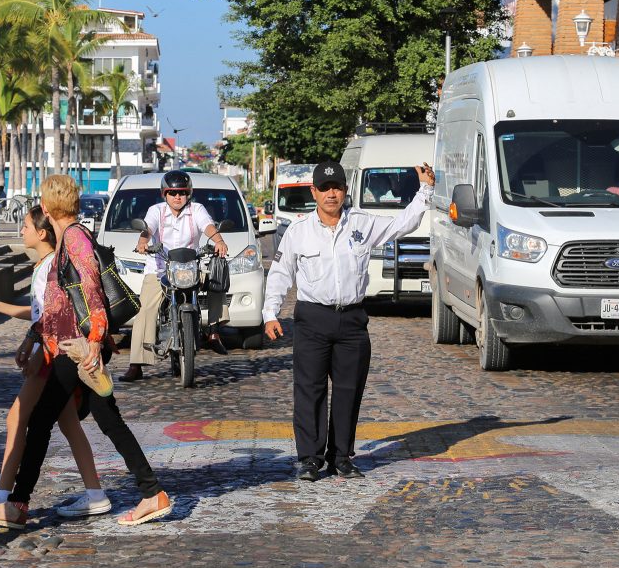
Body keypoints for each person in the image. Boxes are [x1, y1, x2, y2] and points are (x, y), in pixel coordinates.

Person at [0, 174, 173, 527]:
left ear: (50, 206)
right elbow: (59, 304)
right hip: (71, 344)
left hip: (78, 347)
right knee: (108, 421)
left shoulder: (75, 237)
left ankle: (18, 504)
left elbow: (92, 290)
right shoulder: (70, 238)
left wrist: (94, 342)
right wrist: (35, 335)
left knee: (39, 422)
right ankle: (151, 492)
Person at [264, 160, 435, 482]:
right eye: (325, 188)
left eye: (337, 187)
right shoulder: (298, 232)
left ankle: (341, 457)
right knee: (310, 390)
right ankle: (310, 459)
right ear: (313, 192)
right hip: (312, 318)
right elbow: (280, 274)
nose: (331, 194)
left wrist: (425, 190)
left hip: (352, 320)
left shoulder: (362, 224)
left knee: (348, 390)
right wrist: (270, 314)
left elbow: (403, 224)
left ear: (345, 190)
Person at [0, 206, 111, 526]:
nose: (22, 231)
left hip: (52, 356)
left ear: (41, 234)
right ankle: (95, 493)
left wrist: (34, 347)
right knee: (69, 426)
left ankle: (4, 496)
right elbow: (39, 318)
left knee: (18, 417)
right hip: (51, 353)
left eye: (26, 226)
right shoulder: (44, 266)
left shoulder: (47, 269)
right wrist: (9, 318)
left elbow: (48, 319)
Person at [119, 170, 230, 383]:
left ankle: (214, 331)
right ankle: (136, 364)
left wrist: (218, 241)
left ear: (189, 193)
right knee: (145, 310)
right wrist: (143, 242)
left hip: (191, 268)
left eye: (182, 193)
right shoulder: (156, 211)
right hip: (160, 270)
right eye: (172, 193)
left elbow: (207, 226)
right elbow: (148, 228)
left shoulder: (197, 209)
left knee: (216, 280)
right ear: (164, 194)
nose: (177, 197)